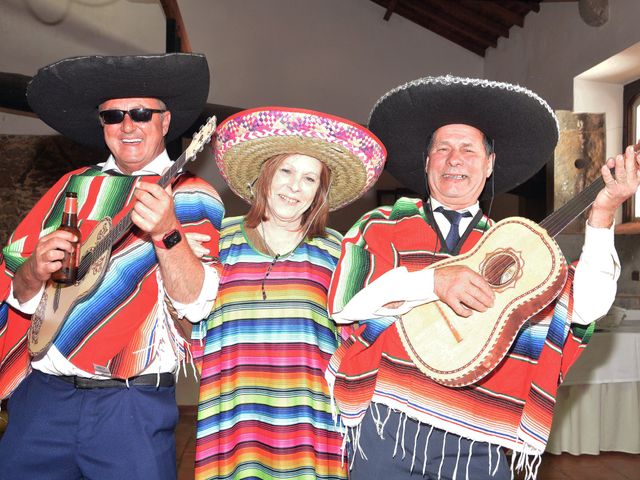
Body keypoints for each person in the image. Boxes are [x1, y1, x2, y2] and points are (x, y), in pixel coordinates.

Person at [325, 76, 640, 480]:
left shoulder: (518, 248)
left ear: (489, 164)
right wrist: (432, 283)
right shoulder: (382, 225)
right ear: (427, 163)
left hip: (481, 435)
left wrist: (602, 215)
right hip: (386, 428)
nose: (454, 159)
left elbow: (586, 307)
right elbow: (345, 301)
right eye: (442, 148)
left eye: (469, 149)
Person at [0, 53, 224, 480]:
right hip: (43, 403)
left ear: (165, 121)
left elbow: (196, 304)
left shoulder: (193, 195)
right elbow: (17, 287)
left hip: (130, 411)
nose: (127, 125)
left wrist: (167, 232)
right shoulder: (73, 186)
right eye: (113, 115)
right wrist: (33, 270)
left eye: (141, 113)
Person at [191, 106, 386, 480]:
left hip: (310, 430)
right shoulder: (216, 242)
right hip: (234, 424)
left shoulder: (339, 252)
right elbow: (190, 330)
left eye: (309, 179)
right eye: (286, 171)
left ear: (319, 193)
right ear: (265, 175)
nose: (295, 187)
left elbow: (359, 340)